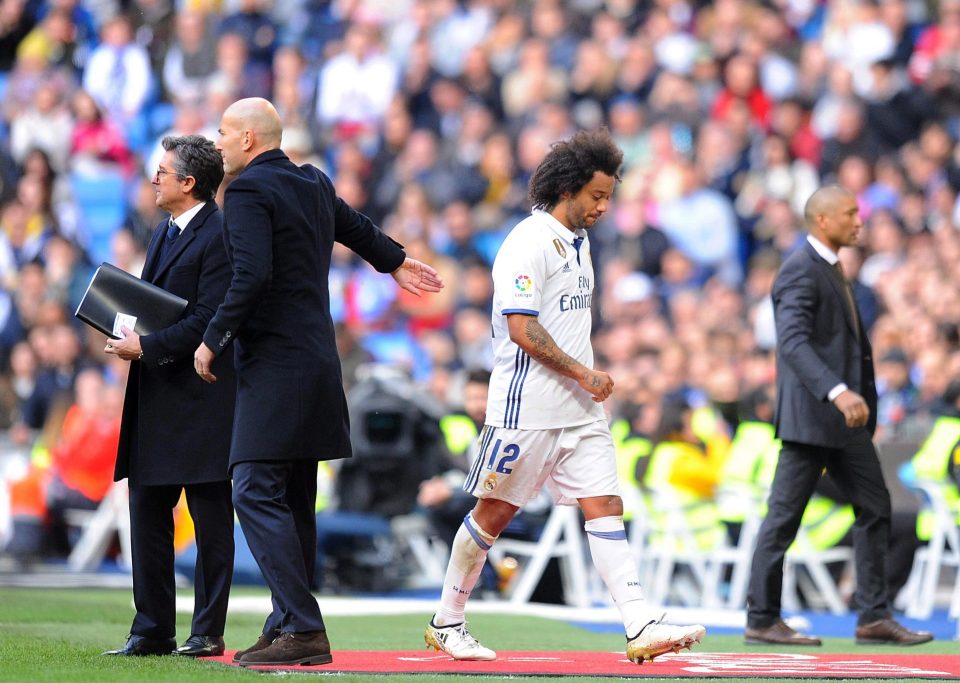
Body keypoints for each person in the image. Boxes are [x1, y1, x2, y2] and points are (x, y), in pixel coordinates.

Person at [423, 129, 705, 664]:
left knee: (605, 505)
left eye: (609, 198)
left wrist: (583, 382)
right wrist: (585, 372)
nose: (603, 207)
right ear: (568, 188)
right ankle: (447, 620)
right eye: (596, 196)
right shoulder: (526, 243)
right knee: (493, 514)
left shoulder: (580, 242)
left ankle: (638, 621)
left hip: (578, 408)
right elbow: (521, 329)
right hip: (526, 405)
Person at [192, 97, 443, 667]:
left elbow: (252, 276)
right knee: (295, 497)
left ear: (251, 141)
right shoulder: (311, 181)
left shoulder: (250, 191)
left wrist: (213, 338)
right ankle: (286, 623)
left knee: (252, 486)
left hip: (275, 365)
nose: (218, 142)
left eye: (225, 133)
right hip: (318, 363)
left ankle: (304, 626)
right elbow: (355, 227)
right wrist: (396, 261)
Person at [744, 185, 932, 646]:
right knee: (784, 518)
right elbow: (792, 343)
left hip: (844, 425)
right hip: (814, 420)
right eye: (851, 213)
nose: (859, 221)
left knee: (876, 507)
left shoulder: (831, 269)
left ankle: (872, 615)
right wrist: (838, 390)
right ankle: (762, 618)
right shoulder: (799, 271)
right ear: (823, 220)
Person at [102, 134, 237, 658]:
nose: (154, 178)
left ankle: (207, 631)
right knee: (148, 514)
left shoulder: (220, 234)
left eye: (163, 171)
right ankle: (151, 628)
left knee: (209, 519)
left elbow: (210, 319)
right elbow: (156, 303)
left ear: (188, 182)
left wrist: (148, 345)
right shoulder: (163, 232)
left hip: (202, 398)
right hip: (157, 394)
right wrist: (118, 323)